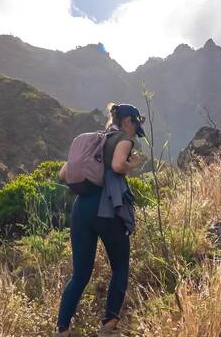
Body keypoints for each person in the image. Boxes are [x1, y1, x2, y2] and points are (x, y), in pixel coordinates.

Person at [55, 103, 146, 337]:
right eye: (136, 125)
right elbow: (117, 165)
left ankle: (62, 330)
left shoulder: (93, 140)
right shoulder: (123, 139)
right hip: (106, 208)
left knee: (80, 274)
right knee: (120, 267)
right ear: (128, 122)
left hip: (81, 208)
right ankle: (108, 326)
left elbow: (63, 174)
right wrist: (132, 164)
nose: (136, 131)